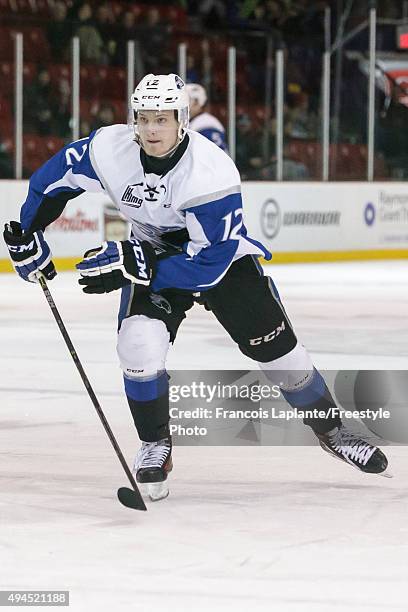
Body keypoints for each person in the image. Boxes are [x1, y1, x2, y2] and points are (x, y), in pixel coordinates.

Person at [3, 73, 389, 502]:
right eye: (144, 118)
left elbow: (207, 264)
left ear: (182, 119)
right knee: (137, 345)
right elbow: (50, 180)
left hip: (219, 262)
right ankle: (155, 444)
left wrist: (139, 263)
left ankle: (332, 430)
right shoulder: (109, 149)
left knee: (282, 357)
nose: (151, 129)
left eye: (162, 119)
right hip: (151, 252)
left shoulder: (210, 172)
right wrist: (28, 231)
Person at [185, 83, 227, 151]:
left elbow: (215, 156)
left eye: (186, 99)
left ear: (196, 102)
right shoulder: (193, 121)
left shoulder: (207, 124)